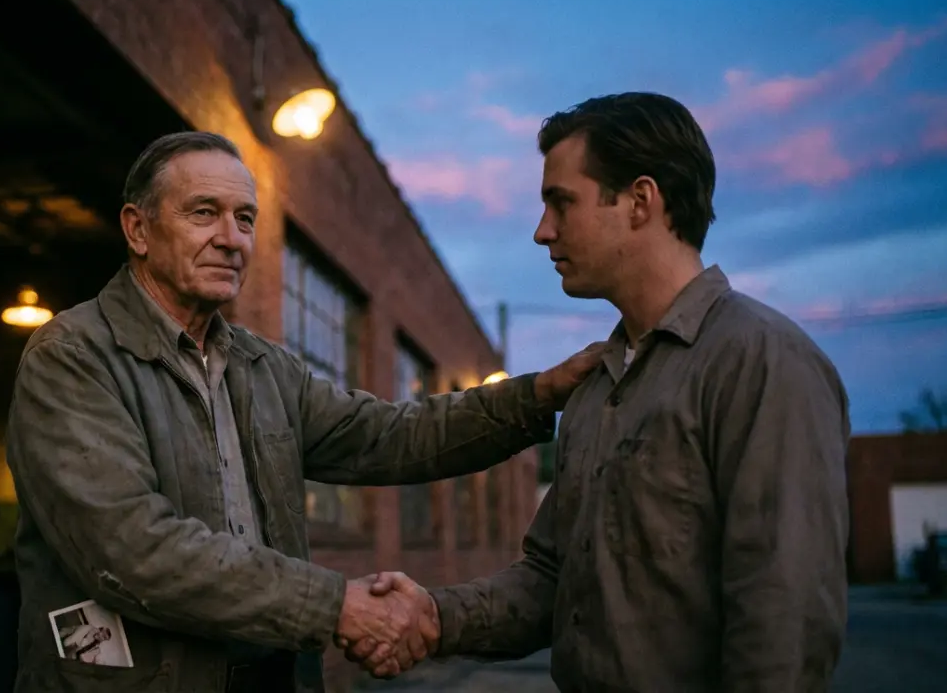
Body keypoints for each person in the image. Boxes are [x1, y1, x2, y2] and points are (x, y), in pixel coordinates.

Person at [4, 131, 604, 692]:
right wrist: (336, 606)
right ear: (137, 229)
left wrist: (538, 395)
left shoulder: (263, 367)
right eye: (203, 213)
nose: (232, 238)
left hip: (276, 673)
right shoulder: (73, 356)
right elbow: (133, 549)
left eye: (245, 220)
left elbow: (389, 436)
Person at [345, 93, 852, 691]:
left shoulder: (763, 362)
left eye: (561, 203)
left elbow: (783, 626)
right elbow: (554, 579)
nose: (542, 232)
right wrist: (434, 616)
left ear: (641, 201)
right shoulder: (593, 386)